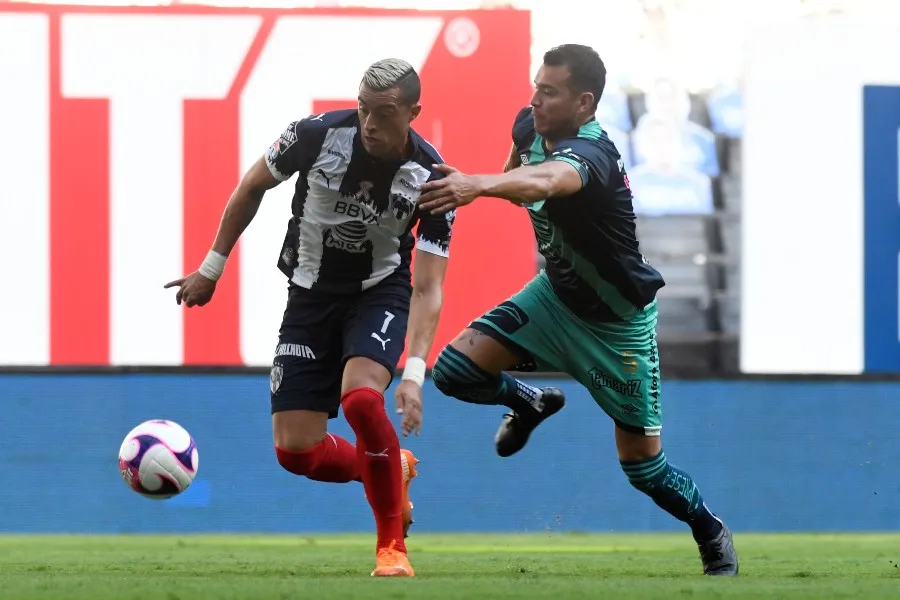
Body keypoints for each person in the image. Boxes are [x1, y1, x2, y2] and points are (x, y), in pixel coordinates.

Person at [417, 44, 739, 576]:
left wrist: (476, 185)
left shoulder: (594, 155)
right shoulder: (529, 125)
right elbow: (522, 179)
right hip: (555, 297)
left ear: (584, 102)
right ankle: (531, 401)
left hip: (618, 326)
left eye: (549, 91)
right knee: (454, 373)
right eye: (536, 86)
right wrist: (487, 181)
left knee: (644, 470)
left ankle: (710, 529)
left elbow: (547, 181)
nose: (535, 99)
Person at [164, 58, 456, 578]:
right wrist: (212, 266)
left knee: (363, 400)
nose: (370, 122)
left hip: (378, 293)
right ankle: (390, 469)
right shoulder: (314, 135)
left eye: (385, 113)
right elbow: (252, 185)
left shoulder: (435, 180)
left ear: (414, 112)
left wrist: (414, 372)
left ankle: (392, 547)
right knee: (297, 452)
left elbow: (429, 285)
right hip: (308, 297)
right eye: (364, 109)